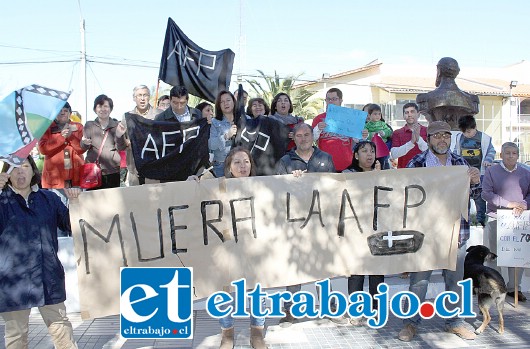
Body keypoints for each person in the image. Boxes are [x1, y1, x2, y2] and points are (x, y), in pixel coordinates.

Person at [398, 121, 481, 342]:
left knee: (455, 280)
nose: (442, 140)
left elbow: (475, 194)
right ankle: (410, 323)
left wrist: (475, 180)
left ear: (450, 139)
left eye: (446, 136)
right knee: (419, 280)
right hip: (425, 234)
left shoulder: (461, 163)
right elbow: (404, 195)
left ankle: (454, 322)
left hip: (456, 233)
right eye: (436, 136)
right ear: (428, 139)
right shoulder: (417, 162)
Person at [0, 157, 81, 349]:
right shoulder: (2, 201)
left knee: (62, 332)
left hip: (48, 276)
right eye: (15, 168)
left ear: (33, 171)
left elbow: (71, 225)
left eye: (25, 167)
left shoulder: (49, 198)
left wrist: (76, 203)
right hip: (13, 281)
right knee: (16, 336)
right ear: (7, 174)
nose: (21, 172)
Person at [276, 123, 343, 326]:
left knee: (322, 263)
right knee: (294, 264)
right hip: (295, 222)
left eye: (306, 134)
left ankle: (327, 307)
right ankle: (291, 310)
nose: (303, 138)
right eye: (299, 135)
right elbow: (277, 189)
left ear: (313, 136)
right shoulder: (285, 161)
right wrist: (290, 181)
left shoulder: (325, 158)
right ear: (293, 138)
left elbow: (334, 186)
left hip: (321, 221)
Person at [216, 146, 266, 349]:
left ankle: (257, 334)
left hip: (254, 248)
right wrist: (194, 180)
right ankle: (227, 335)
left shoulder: (263, 185)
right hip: (227, 249)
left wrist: (297, 177)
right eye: (236, 162)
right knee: (224, 290)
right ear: (229, 166)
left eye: (246, 161)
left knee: (257, 290)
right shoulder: (219, 186)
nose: (242, 166)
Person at [342, 140, 384, 325]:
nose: (369, 154)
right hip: (355, 230)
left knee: (377, 272)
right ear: (356, 155)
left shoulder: (383, 175)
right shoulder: (346, 174)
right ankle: (356, 309)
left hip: (377, 230)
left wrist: (379, 178)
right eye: (364, 151)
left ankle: (375, 309)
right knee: (356, 272)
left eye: (372, 151)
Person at [482, 142, 530, 301]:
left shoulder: (525, 172)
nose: (511, 156)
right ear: (501, 155)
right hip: (497, 218)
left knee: (517, 256)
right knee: (494, 255)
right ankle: (495, 287)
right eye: (507, 153)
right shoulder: (491, 171)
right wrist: (508, 204)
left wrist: (524, 204)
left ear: (518, 155)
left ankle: (514, 288)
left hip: (518, 219)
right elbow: (486, 194)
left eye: (514, 153)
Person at [452, 115, 495, 226]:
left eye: (469, 132)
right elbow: (456, 152)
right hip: (464, 174)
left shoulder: (484, 138)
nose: (467, 134)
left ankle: (481, 219)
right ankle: (464, 220)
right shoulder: (459, 138)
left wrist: (487, 160)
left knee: (480, 198)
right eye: (464, 132)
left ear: (475, 127)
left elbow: (491, 151)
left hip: (480, 174)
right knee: (463, 197)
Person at [117, 85, 161, 186]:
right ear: (134, 98)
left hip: (154, 169)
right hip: (134, 170)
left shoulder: (159, 115)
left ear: (149, 97)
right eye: (139, 95)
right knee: (136, 201)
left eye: (145, 95)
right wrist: (119, 136)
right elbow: (120, 146)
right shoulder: (127, 117)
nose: (142, 98)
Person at [312, 88, 365, 172]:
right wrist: (317, 128)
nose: (331, 102)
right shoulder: (318, 119)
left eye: (334, 99)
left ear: (341, 100)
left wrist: (363, 135)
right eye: (328, 99)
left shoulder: (351, 118)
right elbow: (312, 139)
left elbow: (358, 141)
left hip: (347, 164)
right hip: (324, 164)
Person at [81, 94, 124, 189]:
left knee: (112, 200)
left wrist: (120, 136)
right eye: (99, 106)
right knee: (93, 201)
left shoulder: (117, 125)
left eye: (106, 106)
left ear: (110, 109)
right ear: (95, 109)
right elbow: (83, 147)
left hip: (112, 170)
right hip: (93, 170)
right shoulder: (89, 125)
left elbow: (121, 147)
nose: (103, 109)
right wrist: (84, 143)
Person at [39, 102, 86, 189]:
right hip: (55, 178)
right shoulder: (46, 127)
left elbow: (81, 149)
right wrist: (61, 138)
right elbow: (43, 149)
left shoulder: (78, 127)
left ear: (70, 113)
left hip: (76, 176)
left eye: (65, 110)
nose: (62, 113)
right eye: (59, 111)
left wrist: (70, 137)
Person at [390, 102, 428, 169]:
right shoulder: (397, 133)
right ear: (403, 116)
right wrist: (411, 143)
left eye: (412, 112)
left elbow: (431, 153)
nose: (409, 115)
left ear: (418, 114)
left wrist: (418, 139)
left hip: (424, 172)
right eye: (406, 112)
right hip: (404, 172)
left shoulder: (427, 131)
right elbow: (394, 154)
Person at [209, 90, 237, 177]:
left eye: (228, 100)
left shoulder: (244, 118)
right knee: (222, 190)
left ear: (233, 101)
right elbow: (211, 145)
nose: (226, 104)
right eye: (222, 102)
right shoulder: (214, 122)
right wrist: (226, 136)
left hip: (241, 166)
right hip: (221, 166)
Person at [364, 103, 392, 169]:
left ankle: (384, 171)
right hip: (371, 148)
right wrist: (371, 134)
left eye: (379, 114)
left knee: (384, 162)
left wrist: (384, 133)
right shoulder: (367, 125)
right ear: (369, 115)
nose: (377, 116)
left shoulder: (383, 124)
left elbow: (389, 131)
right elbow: (365, 134)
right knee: (372, 163)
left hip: (383, 147)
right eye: (375, 114)